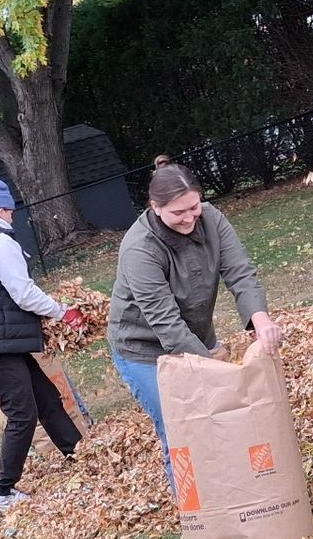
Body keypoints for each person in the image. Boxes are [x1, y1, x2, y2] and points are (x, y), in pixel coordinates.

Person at [108, 163, 282, 488]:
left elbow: (240, 271)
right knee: (180, 424)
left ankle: (232, 486)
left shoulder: (212, 219)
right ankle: (195, 510)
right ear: (155, 207)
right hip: (144, 350)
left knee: (220, 412)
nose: (189, 218)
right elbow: (166, 324)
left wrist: (260, 318)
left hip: (197, 334)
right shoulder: (139, 249)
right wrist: (213, 368)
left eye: (193, 206)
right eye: (178, 212)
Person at [0, 178, 86, 512]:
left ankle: (81, 455)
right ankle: (5, 493)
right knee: (22, 415)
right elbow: (23, 292)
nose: (13, 218)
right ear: (0, 210)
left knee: (47, 400)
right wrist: (61, 312)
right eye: (11, 213)